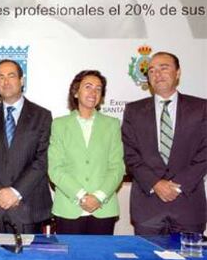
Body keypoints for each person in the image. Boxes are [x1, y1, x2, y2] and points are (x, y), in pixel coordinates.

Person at [122, 51, 207, 235]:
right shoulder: (133, 111)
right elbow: (130, 154)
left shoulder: (202, 108)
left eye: (164, 68)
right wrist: (156, 183)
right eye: (151, 71)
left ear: (178, 73)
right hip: (148, 208)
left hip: (188, 205)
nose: (157, 74)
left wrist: (177, 185)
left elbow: (205, 152)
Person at [0, 59, 52, 234]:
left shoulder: (42, 116)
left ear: (21, 81)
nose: (6, 81)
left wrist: (15, 192)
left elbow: (42, 159)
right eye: (0, 77)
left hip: (29, 206)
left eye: (11, 76)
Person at [48, 70, 125, 235]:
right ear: (76, 92)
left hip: (103, 208)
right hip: (69, 207)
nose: (93, 92)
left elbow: (117, 167)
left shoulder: (112, 125)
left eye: (98, 89)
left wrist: (98, 196)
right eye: (88, 87)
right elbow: (55, 168)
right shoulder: (59, 125)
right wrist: (81, 195)